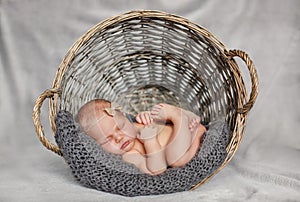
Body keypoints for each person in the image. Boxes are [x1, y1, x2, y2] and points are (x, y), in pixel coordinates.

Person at [76, 99, 207, 175]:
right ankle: (180, 118)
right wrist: (150, 141)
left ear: (126, 119)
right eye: (107, 139)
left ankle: (183, 115)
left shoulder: (135, 124)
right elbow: (157, 169)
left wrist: (147, 116)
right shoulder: (129, 156)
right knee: (176, 161)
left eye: (120, 127)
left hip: (186, 132)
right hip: (186, 143)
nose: (119, 138)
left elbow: (158, 123)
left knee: (160, 111)